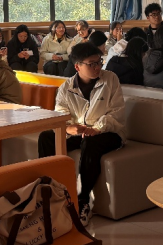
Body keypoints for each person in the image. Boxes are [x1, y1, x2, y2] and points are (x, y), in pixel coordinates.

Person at [37, 42, 125, 226]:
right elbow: (60, 115)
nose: (97, 67)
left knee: (90, 142)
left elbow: (116, 112)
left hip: (108, 132)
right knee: (46, 137)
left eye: (99, 62)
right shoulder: (66, 88)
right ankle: (49, 191)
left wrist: (97, 128)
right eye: (92, 64)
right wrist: (68, 128)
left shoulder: (110, 79)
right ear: (77, 67)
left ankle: (83, 200)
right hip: (80, 132)